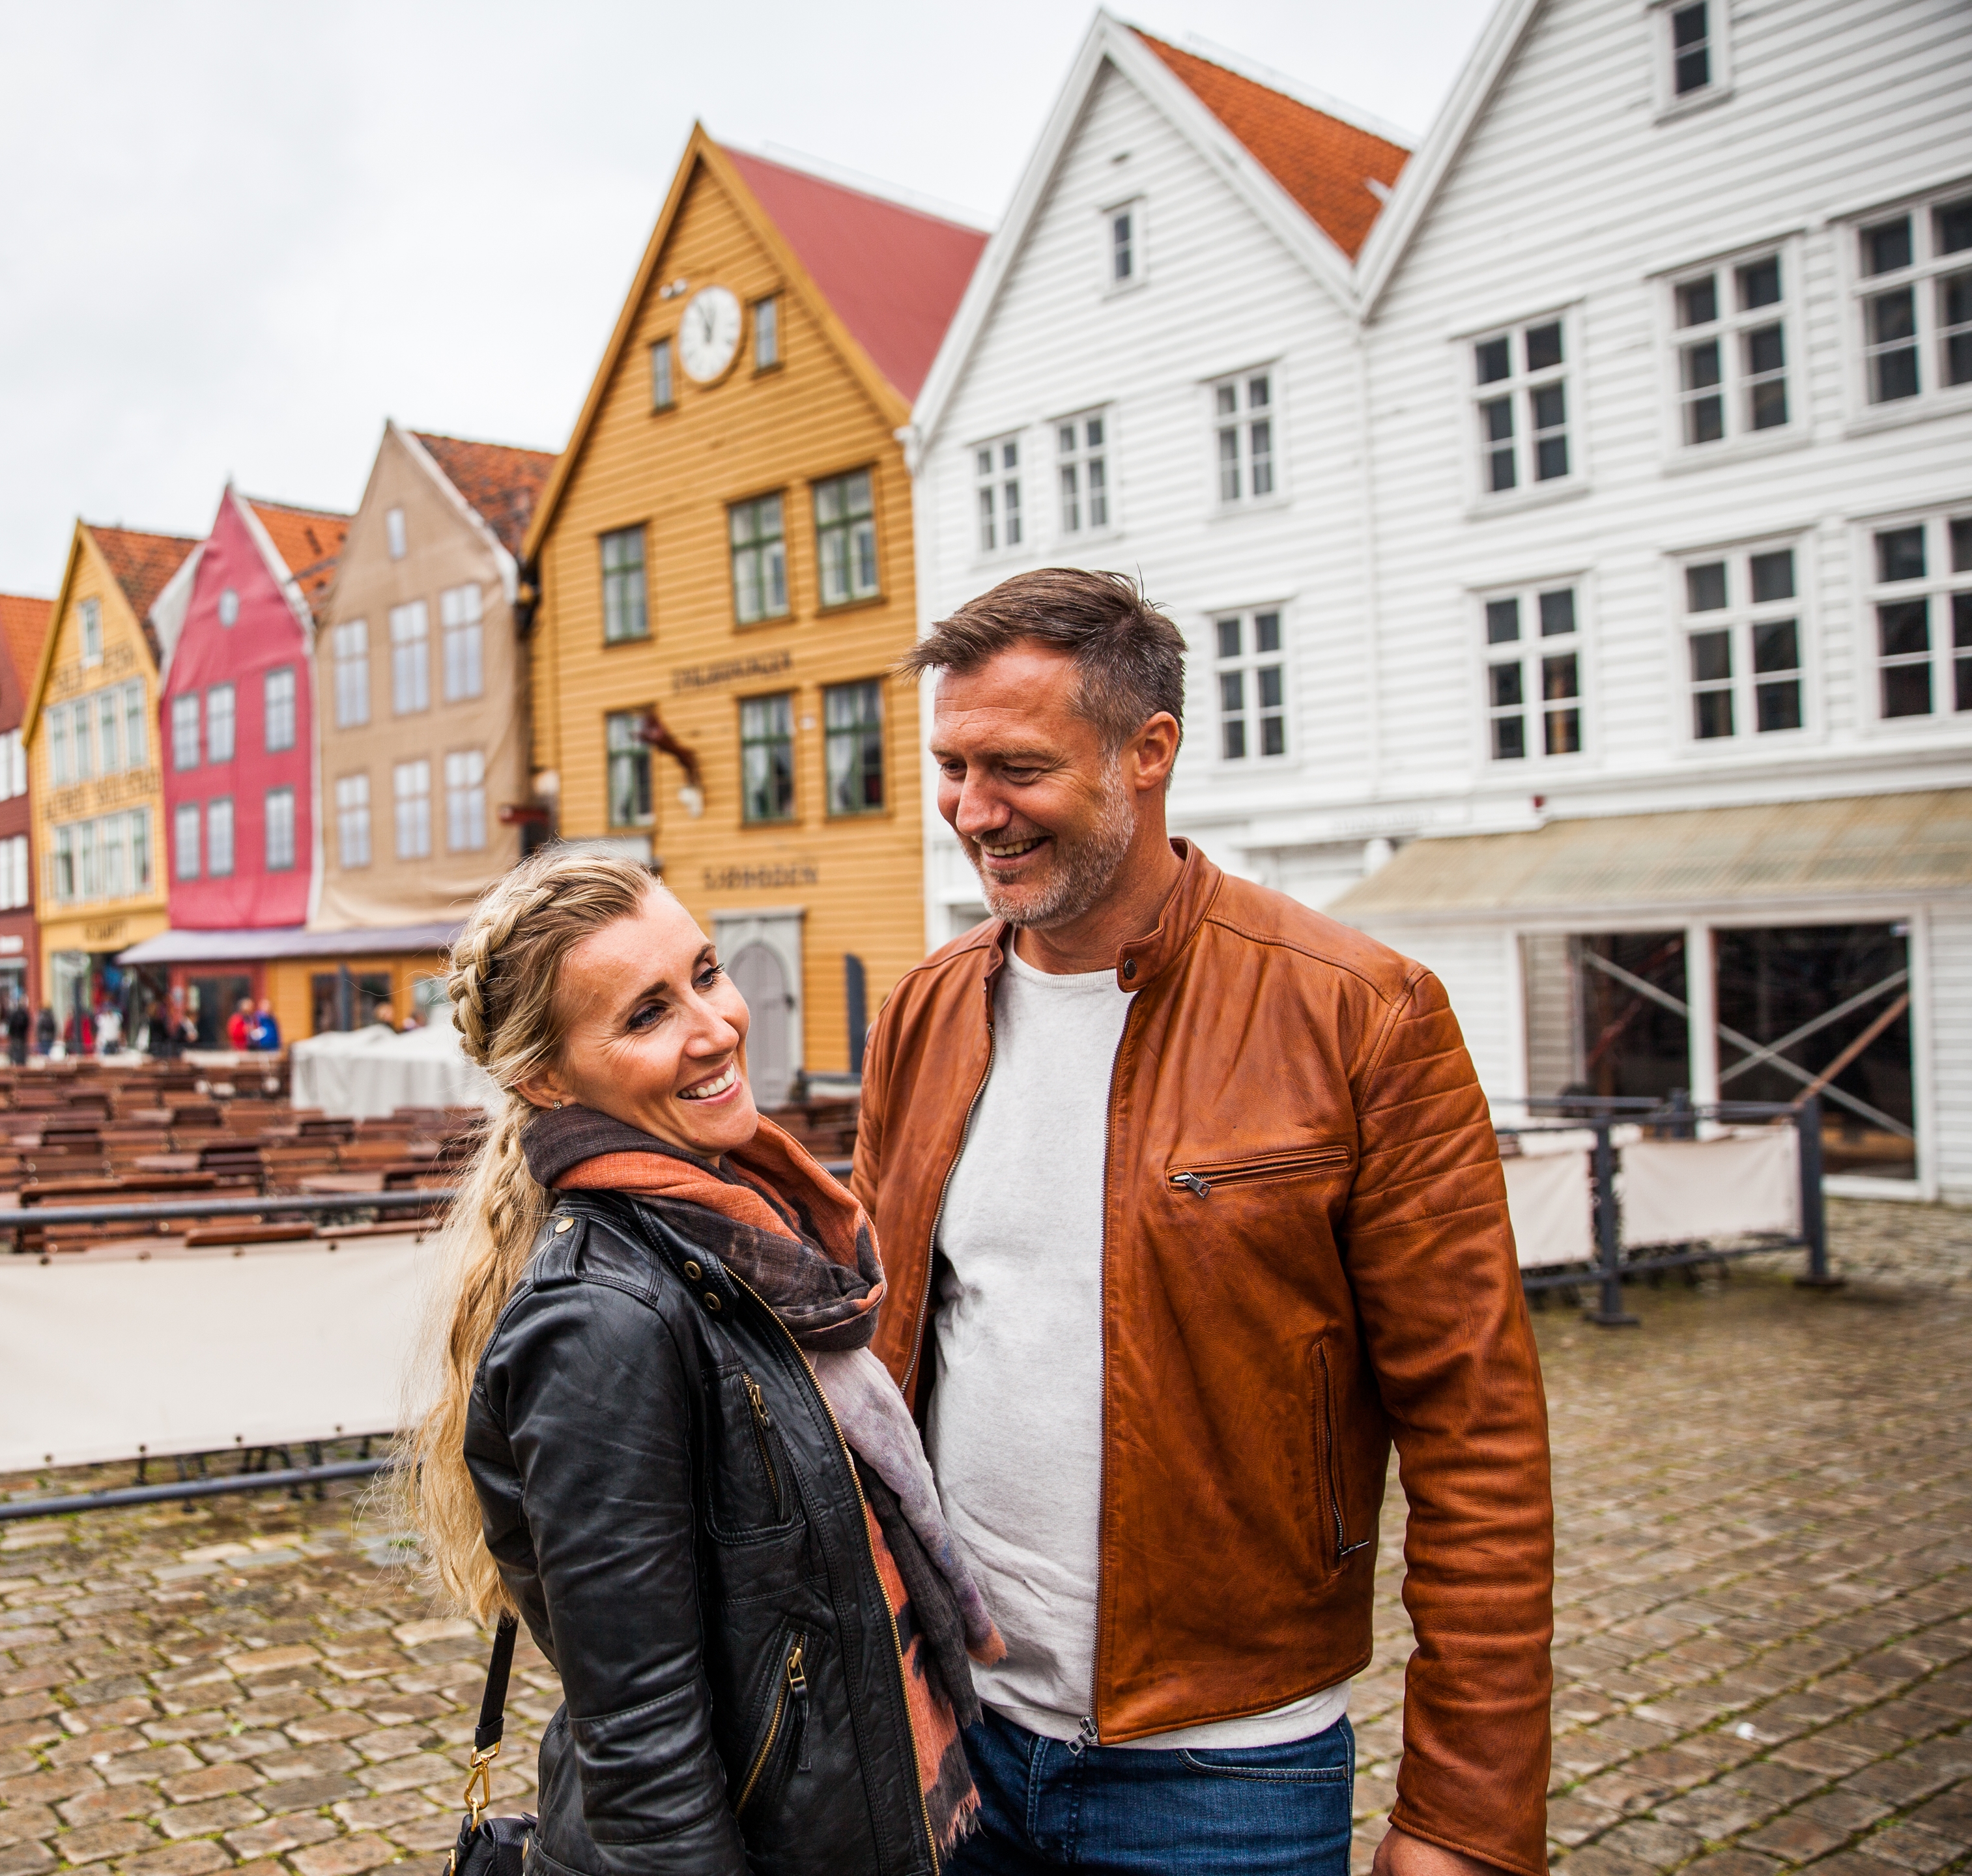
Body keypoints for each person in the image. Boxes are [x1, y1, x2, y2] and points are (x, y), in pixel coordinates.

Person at [858, 569, 1554, 1876]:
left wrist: (1467, 1815)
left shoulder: (1362, 1015)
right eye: (951, 767)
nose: (971, 811)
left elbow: (1480, 1434)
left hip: (1227, 1771)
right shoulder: (925, 1014)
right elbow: (876, 1354)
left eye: (1014, 767)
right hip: (952, 1734)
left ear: (1150, 751)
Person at [409, 847, 1003, 1875]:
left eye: (707, 972)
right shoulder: (600, 1317)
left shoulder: (736, 1235)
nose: (716, 1025)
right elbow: (646, 1759)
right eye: (647, 1015)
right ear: (545, 1078)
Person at [4, 995, 31, 1067]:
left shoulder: (15, 1014)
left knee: (15, 1053)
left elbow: (10, 1025)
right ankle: (21, 1065)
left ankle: (15, 1064)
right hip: (21, 1037)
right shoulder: (24, 1014)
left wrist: (11, 1034)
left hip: (15, 1037)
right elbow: (27, 1025)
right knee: (20, 1054)